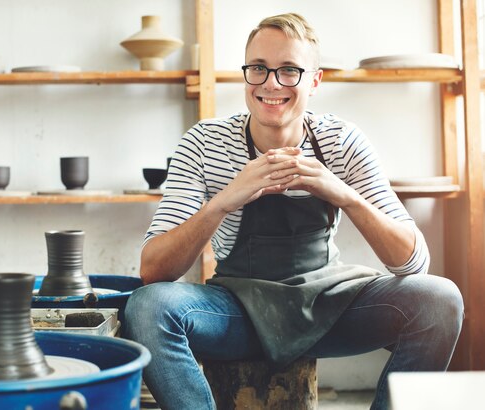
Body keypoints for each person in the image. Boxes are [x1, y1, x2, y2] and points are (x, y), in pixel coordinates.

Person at [124, 12, 463, 410]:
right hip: (238, 315)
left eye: (289, 70)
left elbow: (413, 263)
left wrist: (343, 195)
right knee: (146, 308)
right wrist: (225, 200)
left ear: (315, 81)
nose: (271, 83)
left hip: (330, 309)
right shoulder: (204, 143)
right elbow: (153, 272)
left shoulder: (342, 141)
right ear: (245, 73)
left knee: (440, 299)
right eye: (259, 68)